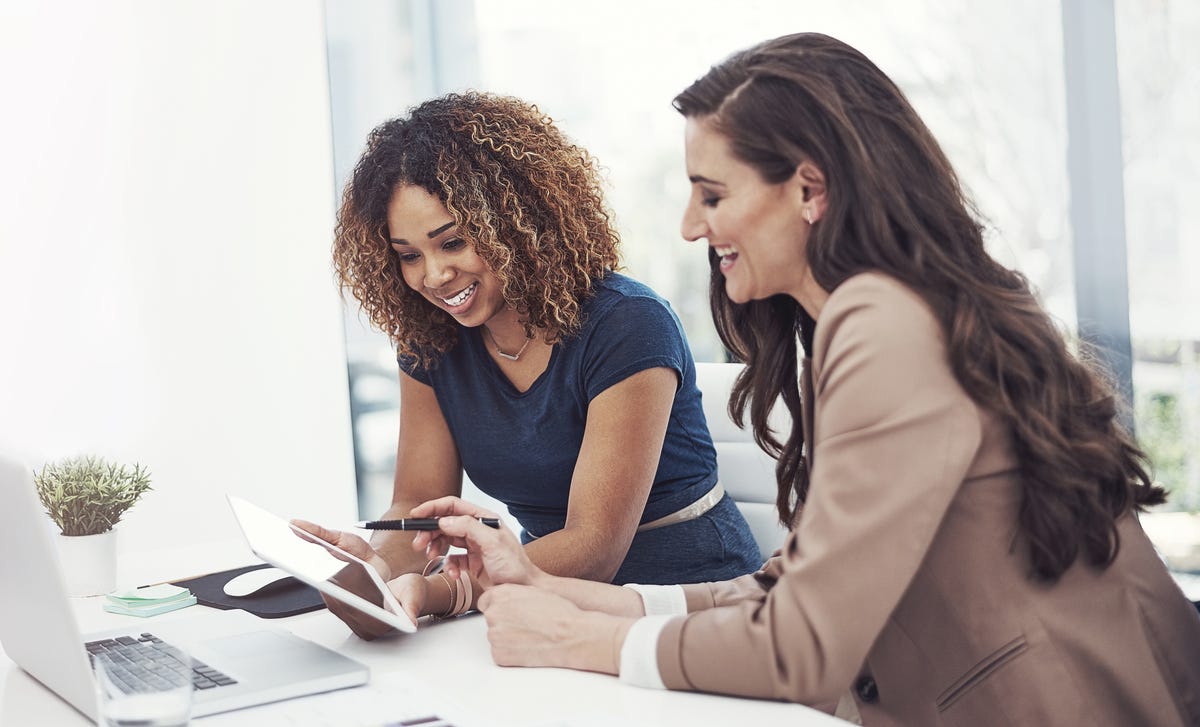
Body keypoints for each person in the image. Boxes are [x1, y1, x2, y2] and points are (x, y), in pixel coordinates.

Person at [307, 33, 1200, 726]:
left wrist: (589, 635)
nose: (692, 225)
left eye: (713, 192)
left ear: (809, 190)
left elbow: (803, 645)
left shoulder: (879, 325)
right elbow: (788, 585)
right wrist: (551, 592)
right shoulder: (886, 313)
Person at [321, 91, 762, 638]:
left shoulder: (628, 323)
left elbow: (594, 545)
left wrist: (439, 592)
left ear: (514, 221)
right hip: (538, 599)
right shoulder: (430, 340)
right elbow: (415, 506)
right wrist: (372, 570)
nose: (433, 276)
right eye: (409, 255)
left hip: (687, 603)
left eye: (452, 242)